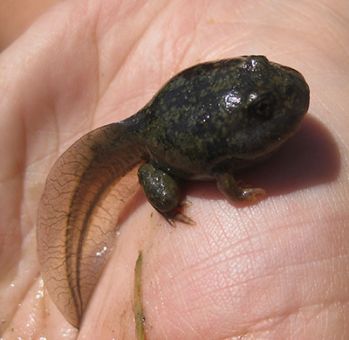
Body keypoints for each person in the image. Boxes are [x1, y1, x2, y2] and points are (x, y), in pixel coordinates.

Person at [0, 1, 348, 338]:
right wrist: (235, 194)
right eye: (264, 109)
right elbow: (226, 177)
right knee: (167, 196)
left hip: (162, 113)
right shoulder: (191, 158)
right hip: (161, 143)